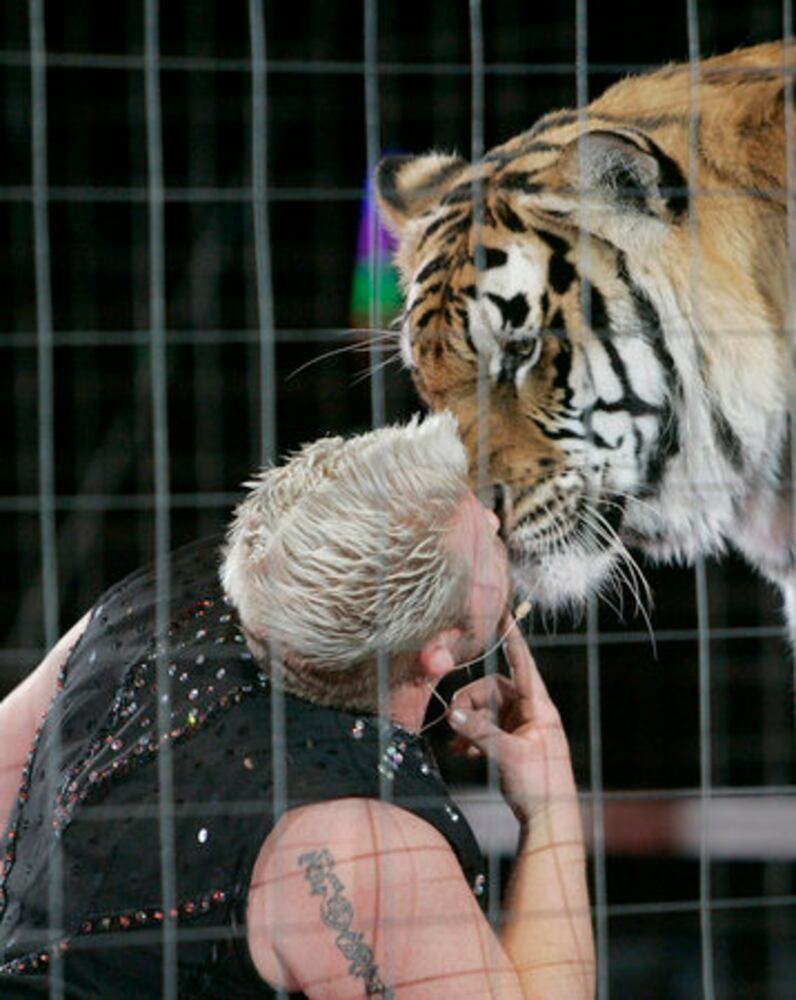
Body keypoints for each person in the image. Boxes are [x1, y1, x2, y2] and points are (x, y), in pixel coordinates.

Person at [0, 413, 595, 998]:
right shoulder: (364, 848)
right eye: (484, 539)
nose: (495, 516)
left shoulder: (159, 608)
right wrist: (550, 808)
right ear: (435, 648)